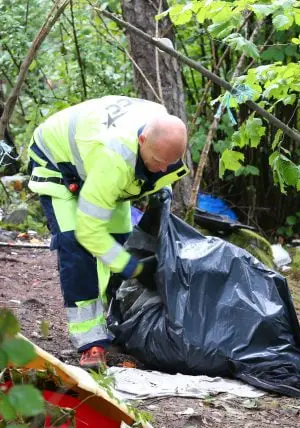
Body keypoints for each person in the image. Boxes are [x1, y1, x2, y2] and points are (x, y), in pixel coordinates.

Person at [27, 95, 189, 369]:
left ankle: (114, 320)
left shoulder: (163, 133)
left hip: (101, 169)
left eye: (169, 163)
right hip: (56, 163)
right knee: (77, 248)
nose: (164, 168)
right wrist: (132, 267)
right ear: (141, 142)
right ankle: (91, 343)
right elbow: (89, 232)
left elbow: (161, 172)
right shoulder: (114, 158)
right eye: (158, 161)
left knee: (119, 241)